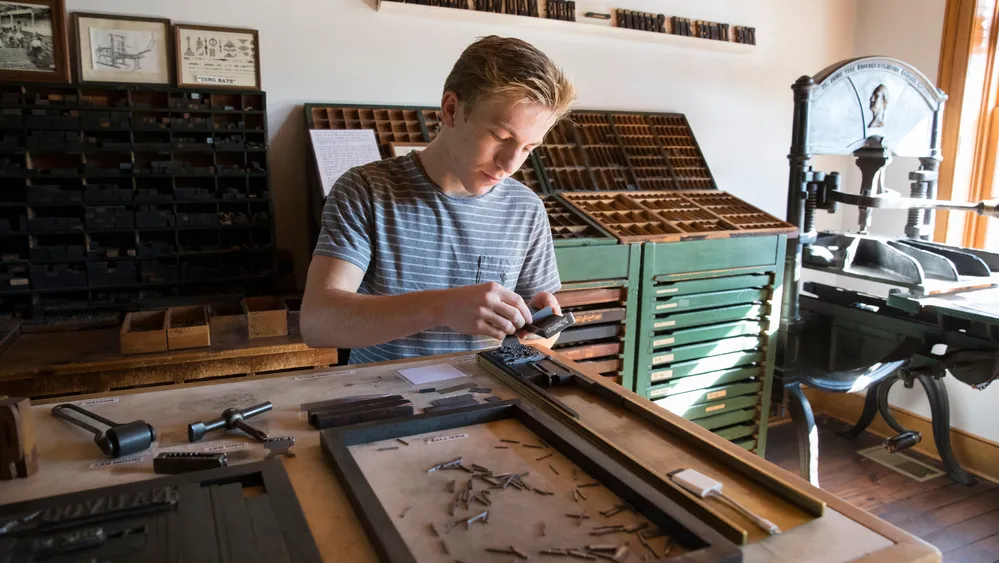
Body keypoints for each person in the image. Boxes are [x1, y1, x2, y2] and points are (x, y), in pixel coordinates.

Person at [300, 35, 576, 364]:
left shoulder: (526, 210)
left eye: (530, 148)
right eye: (501, 137)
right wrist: (442, 307)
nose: (511, 165)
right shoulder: (366, 190)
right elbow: (318, 323)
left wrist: (538, 327)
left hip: (484, 405)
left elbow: (543, 339)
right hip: (382, 404)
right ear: (451, 110)